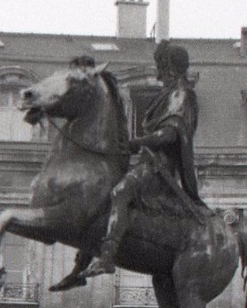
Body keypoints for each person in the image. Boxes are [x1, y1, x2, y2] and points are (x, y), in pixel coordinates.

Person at [81, 40, 201, 277]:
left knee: (120, 192)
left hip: (160, 167)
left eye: (161, 68)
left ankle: (107, 257)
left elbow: (169, 135)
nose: (158, 75)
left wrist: (136, 143)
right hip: (148, 161)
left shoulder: (181, 95)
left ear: (170, 68)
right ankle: (82, 258)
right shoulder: (169, 95)